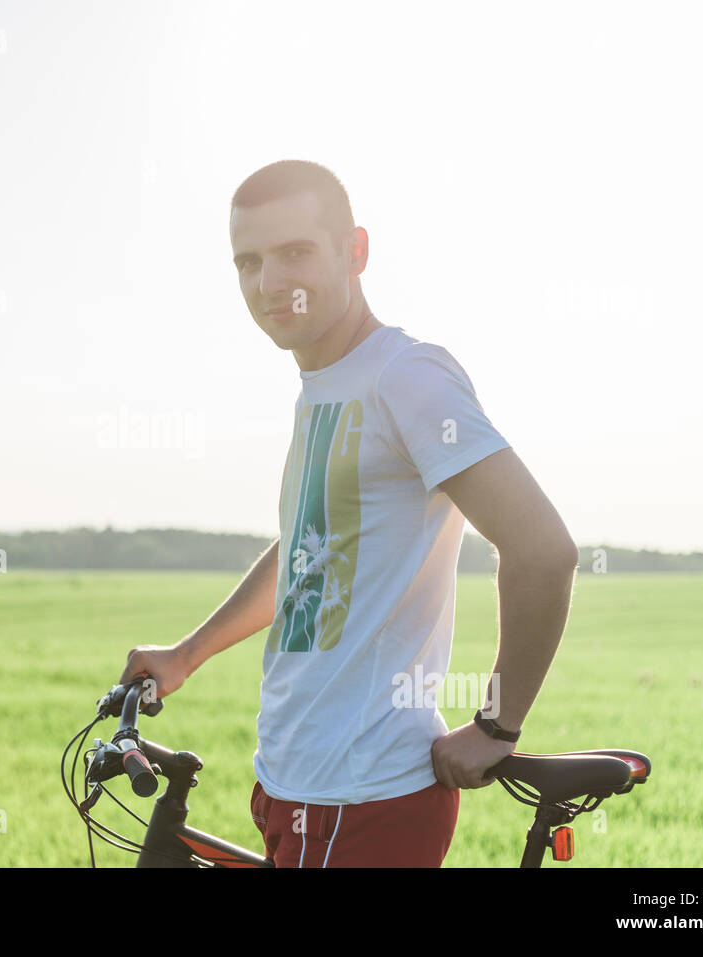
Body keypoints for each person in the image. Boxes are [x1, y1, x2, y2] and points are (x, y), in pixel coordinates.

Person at [120, 159, 580, 867]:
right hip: (293, 785)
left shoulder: (407, 376)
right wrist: (187, 654)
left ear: (355, 251)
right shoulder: (324, 387)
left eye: (295, 252)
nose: (270, 281)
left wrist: (496, 723)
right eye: (249, 260)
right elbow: (310, 547)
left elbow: (542, 549)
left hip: (363, 799)